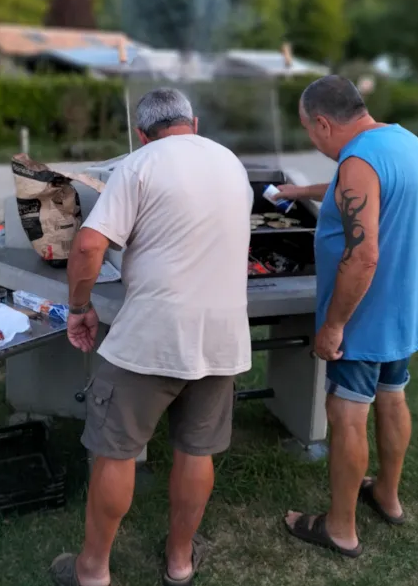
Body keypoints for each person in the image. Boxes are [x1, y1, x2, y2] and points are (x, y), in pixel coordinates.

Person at [50, 88, 253, 586]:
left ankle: (92, 570)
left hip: (152, 337)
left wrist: (80, 308)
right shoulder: (232, 164)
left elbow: (89, 245)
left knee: (115, 451)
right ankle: (180, 561)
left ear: (140, 135)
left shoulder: (139, 165)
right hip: (222, 337)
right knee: (196, 450)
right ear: (194, 122)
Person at [278, 76, 418, 558]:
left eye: (309, 130)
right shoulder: (403, 142)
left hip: (364, 315)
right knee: (393, 398)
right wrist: (302, 188)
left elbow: (362, 256)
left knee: (346, 415)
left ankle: (340, 528)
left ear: (323, 122)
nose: (312, 139)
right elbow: (363, 186)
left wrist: (333, 326)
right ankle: (386, 494)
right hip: (403, 306)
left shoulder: (359, 160)